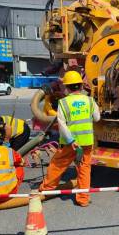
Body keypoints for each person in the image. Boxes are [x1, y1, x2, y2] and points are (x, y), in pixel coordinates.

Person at [39, 70, 100, 207]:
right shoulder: (90, 101)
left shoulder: (63, 103)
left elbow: (62, 124)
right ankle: (83, 199)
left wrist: (72, 141)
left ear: (67, 87)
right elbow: (97, 118)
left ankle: (46, 189)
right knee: (84, 169)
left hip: (69, 143)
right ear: (81, 85)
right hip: (86, 143)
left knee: (57, 164)